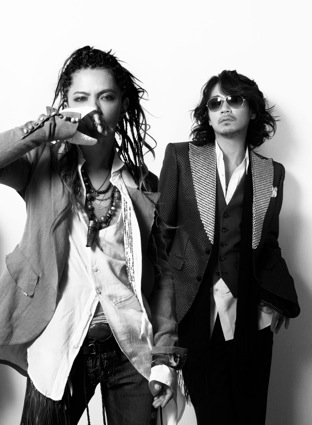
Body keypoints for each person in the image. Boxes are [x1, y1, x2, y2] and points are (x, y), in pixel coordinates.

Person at [0, 46, 185, 425]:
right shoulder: (41, 166)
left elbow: (162, 276)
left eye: (106, 97)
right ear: (65, 106)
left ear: (123, 105)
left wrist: (165, 355)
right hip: (60, 344)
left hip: (130, 348)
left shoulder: (143, 183)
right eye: (81, 98)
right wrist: (50, 129)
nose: (93, 108)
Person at [158, 70, 300, 425]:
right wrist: (162, 314)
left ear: (252, 110)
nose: (224, 108)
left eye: (235, 100)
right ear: (207, 115)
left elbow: (268, 245)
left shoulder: (272, 172)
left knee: (251, 416)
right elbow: (161, 237)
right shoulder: (180, 157)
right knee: (212, 415)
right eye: (215, 102)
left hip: (253, 317)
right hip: (196, 312)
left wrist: (277, 299)